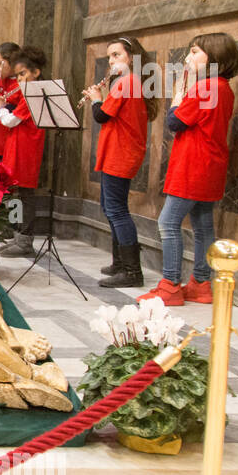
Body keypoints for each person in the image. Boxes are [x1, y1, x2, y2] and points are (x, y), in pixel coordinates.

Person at [139, 32, 238, 306]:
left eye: (194, 52)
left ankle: (170, 285)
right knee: (203, 224)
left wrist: (178, 97)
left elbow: (175, 121)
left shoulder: (206, 87)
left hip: (193, 165)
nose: (187, 57)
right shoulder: (224, 87)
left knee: (168, 223)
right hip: (211, 165)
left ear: (214, 56)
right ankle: (201, 283)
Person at [82, 35, 155, 289]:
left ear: (132, 58)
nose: (111, 60)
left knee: (117, 210)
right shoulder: (129, 82)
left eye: (117, 55)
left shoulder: (127, 82)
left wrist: (95, 97)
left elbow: (101, 115)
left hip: (121, 155)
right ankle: (120, 263)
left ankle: (132, 271)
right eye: (109, 56)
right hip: (118, 153)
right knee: (110, 206)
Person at [0, 46, 48, 258]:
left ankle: (25, 240)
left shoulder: (34, 94)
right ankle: (18, 236)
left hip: (27, 150)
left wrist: (0, 106)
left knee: (26, 195)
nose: (19, 80)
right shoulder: (25, 93)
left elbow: (10, 120)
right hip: (17, 147)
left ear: (35, 73)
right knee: (18, 193)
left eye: (23, 74)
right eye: (17, 75)